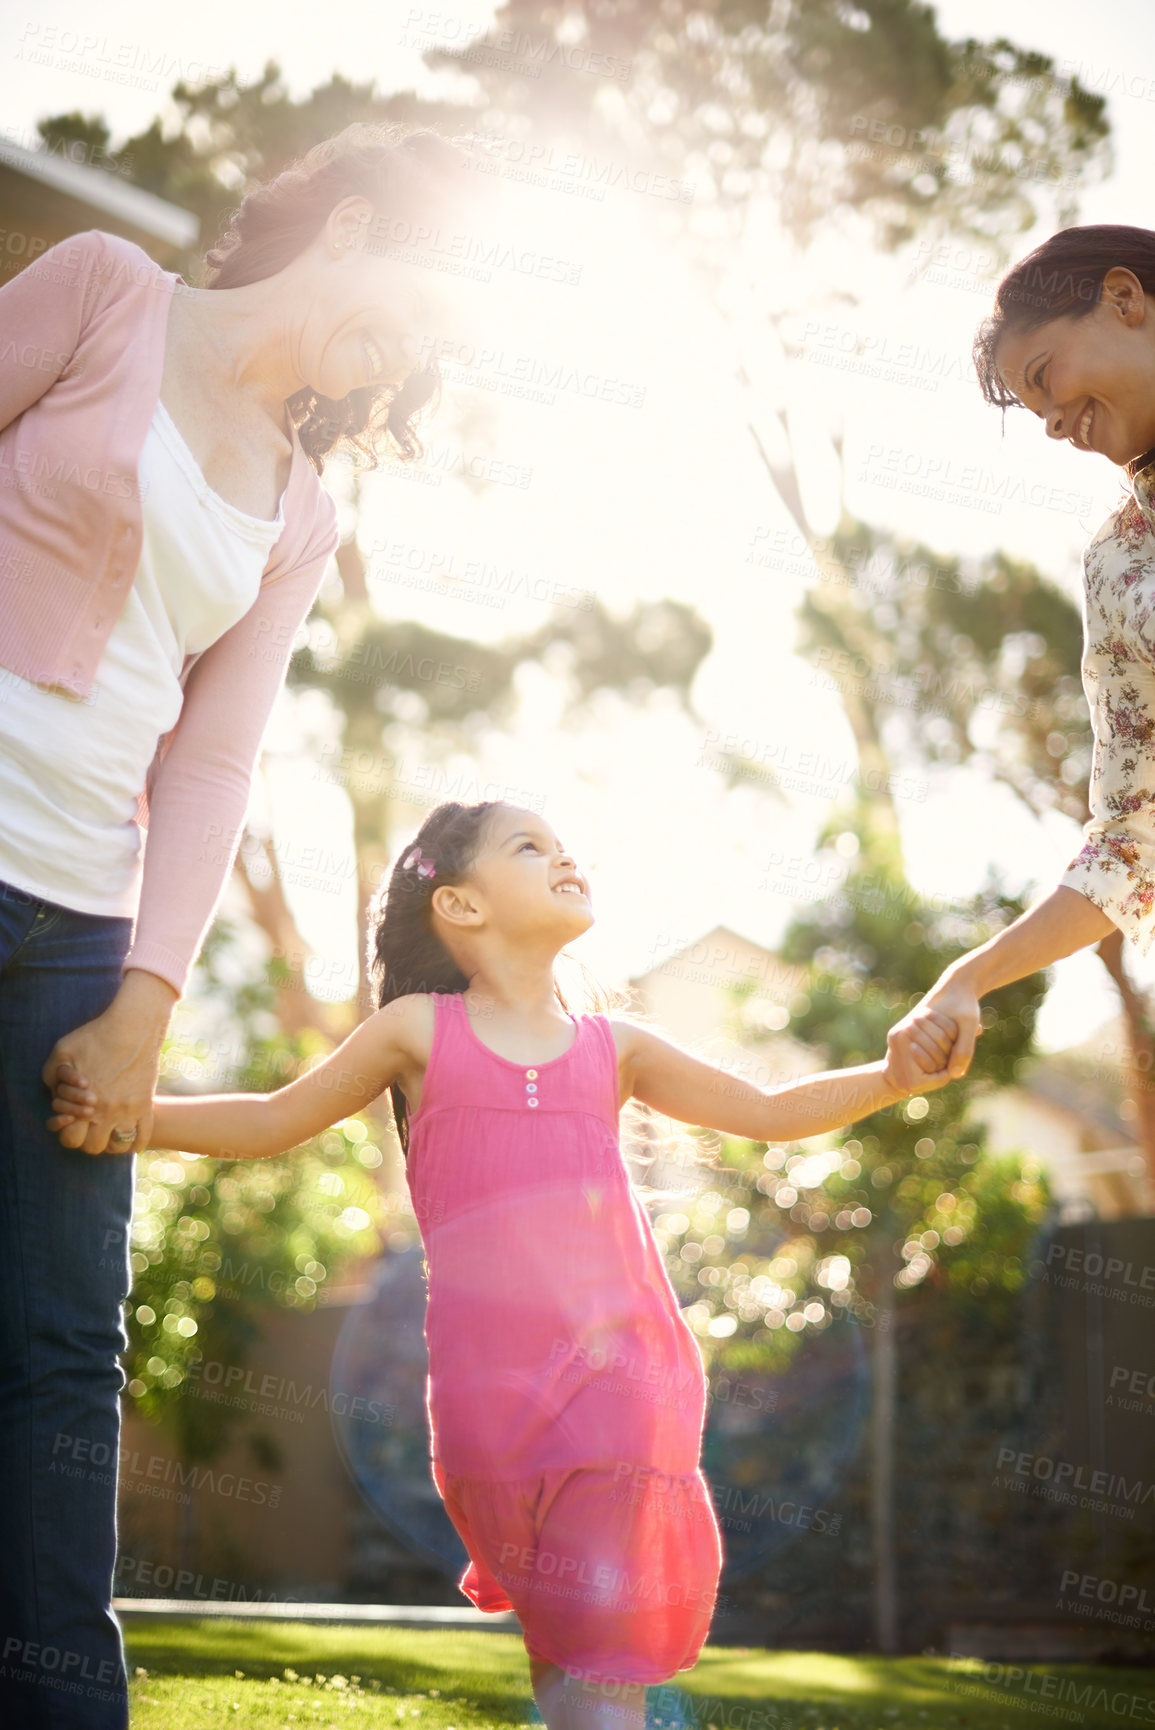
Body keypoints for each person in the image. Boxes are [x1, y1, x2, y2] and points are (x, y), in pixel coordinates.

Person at [54, 800, 952, 1727]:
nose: (565, 858)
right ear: (461, 906)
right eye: (531, 848)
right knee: (564, 1651)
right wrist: (135, 1119)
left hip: (625, 1378)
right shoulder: (416, 1029)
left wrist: (891, 1079)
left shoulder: (617, 1047)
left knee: (604, 1652)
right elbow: (273, 1120)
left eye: (567, 846)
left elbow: (767, 1111)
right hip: (487, 1410)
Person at [0, 123, 478, 1730]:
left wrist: (144, 992)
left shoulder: (300, 508)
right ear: (350, 221)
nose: (406, 354)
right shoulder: (102, 292)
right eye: (416, 302)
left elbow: (210, 761)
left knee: (64, 1352)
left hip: (74, 924)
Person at [886, 225, 1155, 1084]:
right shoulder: (1121, 567)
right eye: (1036, 412)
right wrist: (966, 978)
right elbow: (1128, 842)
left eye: (1043, 378)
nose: (1050, 426)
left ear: (1123, 298)